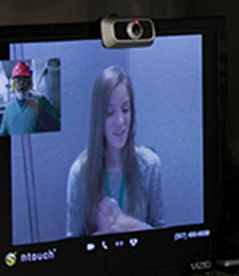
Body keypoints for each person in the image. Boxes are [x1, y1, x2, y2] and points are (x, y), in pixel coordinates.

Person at [66, 66, 165, 237]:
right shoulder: (80, 172)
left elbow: (163, 238)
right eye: (110, 112)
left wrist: (132, 226)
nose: (120, 121)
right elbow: (72, 242)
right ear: (99, 118)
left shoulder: (150, 165)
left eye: (126, 110)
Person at [0, 61, 61, 135]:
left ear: (30, 83)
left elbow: (57, 126)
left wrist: (42, 112)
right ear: (13, 85)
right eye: (18, 81)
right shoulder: (8, 110)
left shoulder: (41, 101)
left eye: (24, 80)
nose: (21, 83)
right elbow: (2, 133)